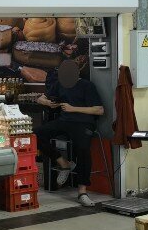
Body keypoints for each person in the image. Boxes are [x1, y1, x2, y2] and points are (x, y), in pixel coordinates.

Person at [36, 60, 104, 207]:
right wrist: (48, 103)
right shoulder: (60, 84)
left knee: (83, 148)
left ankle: (82, 191)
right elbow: (40, 98)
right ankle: (64, 163)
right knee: (36, 135)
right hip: (64, 121)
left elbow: (99, 110)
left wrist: (73, 108)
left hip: (84, 123)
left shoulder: (87, 85)